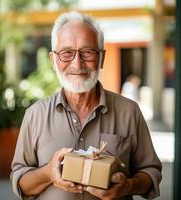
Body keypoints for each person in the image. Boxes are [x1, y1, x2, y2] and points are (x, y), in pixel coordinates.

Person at [11, 11, 162, 200]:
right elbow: (20, 181)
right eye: (67, 53)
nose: (77, 63)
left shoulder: (129, 112)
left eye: (87, 52)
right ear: (53, 60)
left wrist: (128, 186)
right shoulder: (35, 115)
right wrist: (48, 173)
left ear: (102, 58)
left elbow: (151, 172)